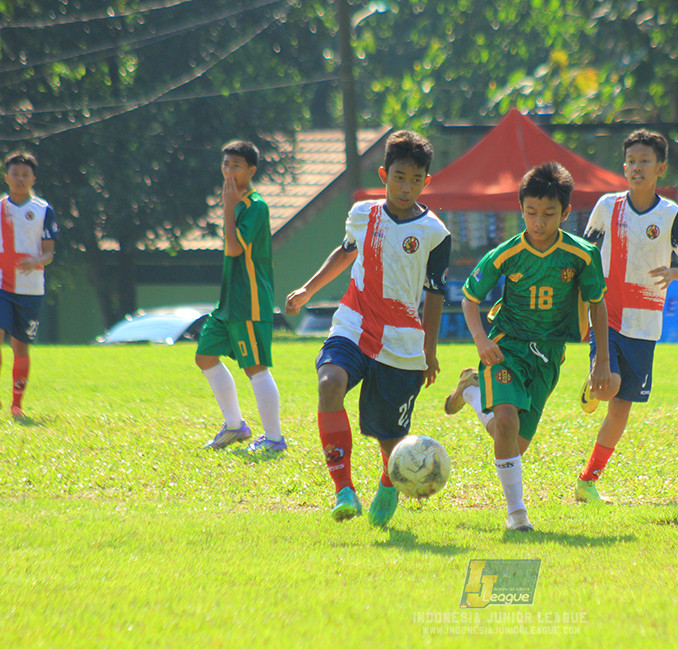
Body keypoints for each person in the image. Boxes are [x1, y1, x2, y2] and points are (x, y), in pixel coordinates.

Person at [285, 130, 451, 529]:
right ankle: (343, 489)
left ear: (426, 182)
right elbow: (346, 252)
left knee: (389, 436)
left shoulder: (435, 233)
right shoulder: (363, 214)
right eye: (398, 177)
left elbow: (434, 296)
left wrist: (429, 352)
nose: (406, 186)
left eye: (415, 179)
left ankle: (389, 484)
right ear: (383, 174)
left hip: (402, 341)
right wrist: (309, 289)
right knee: (329, 383)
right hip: (353, 323)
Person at [443, 162, 610, 532]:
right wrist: (481, 340)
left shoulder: (582, 255)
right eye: (531, 212)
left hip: (549, 356)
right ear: (521, 209)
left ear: (566, 213)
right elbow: (470, 299)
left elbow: (597, 303)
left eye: (549, 214)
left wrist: (601, 360)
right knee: (505, 420)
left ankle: (471, 392)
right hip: (506, 347)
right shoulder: (506, 253)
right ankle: (517, 513)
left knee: (513, 445)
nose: (539, 222)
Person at [576, 130, 678, 503]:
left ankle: (588, 481)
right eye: (631, 161)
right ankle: (596, 379)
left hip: (645, 323)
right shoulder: (607, 207)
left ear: (660, 168)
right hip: (607, 312)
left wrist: (674, 273)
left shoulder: (670, 215)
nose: (636, 168)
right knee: (609, 385)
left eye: (644, 161)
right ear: (624, 167)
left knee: (620, 409)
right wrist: (581, 309)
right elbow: (584, 257)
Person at [196, 140, 285, 453]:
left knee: (255, 368)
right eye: (226, 164)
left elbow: (235, 248)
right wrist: (229, 207)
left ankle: (274, 438)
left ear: (251, 170)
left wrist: (229, 210)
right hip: (228, 300)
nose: (229, 170)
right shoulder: (235, 201)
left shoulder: (255, 206)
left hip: (249, 299)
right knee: (204, 355)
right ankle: (235, 426)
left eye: (236, 165)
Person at [0, 152, 57, 421]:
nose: (20, 179)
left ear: (33, 178)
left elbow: (49, 253)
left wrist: (35, 261)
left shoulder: (44, 210)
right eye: (15, 174)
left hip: (31, 290)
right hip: (2, 285)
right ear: (6, 177)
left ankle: (16, 404)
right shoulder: (0, 208)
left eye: (25, 174)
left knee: (20, 348)